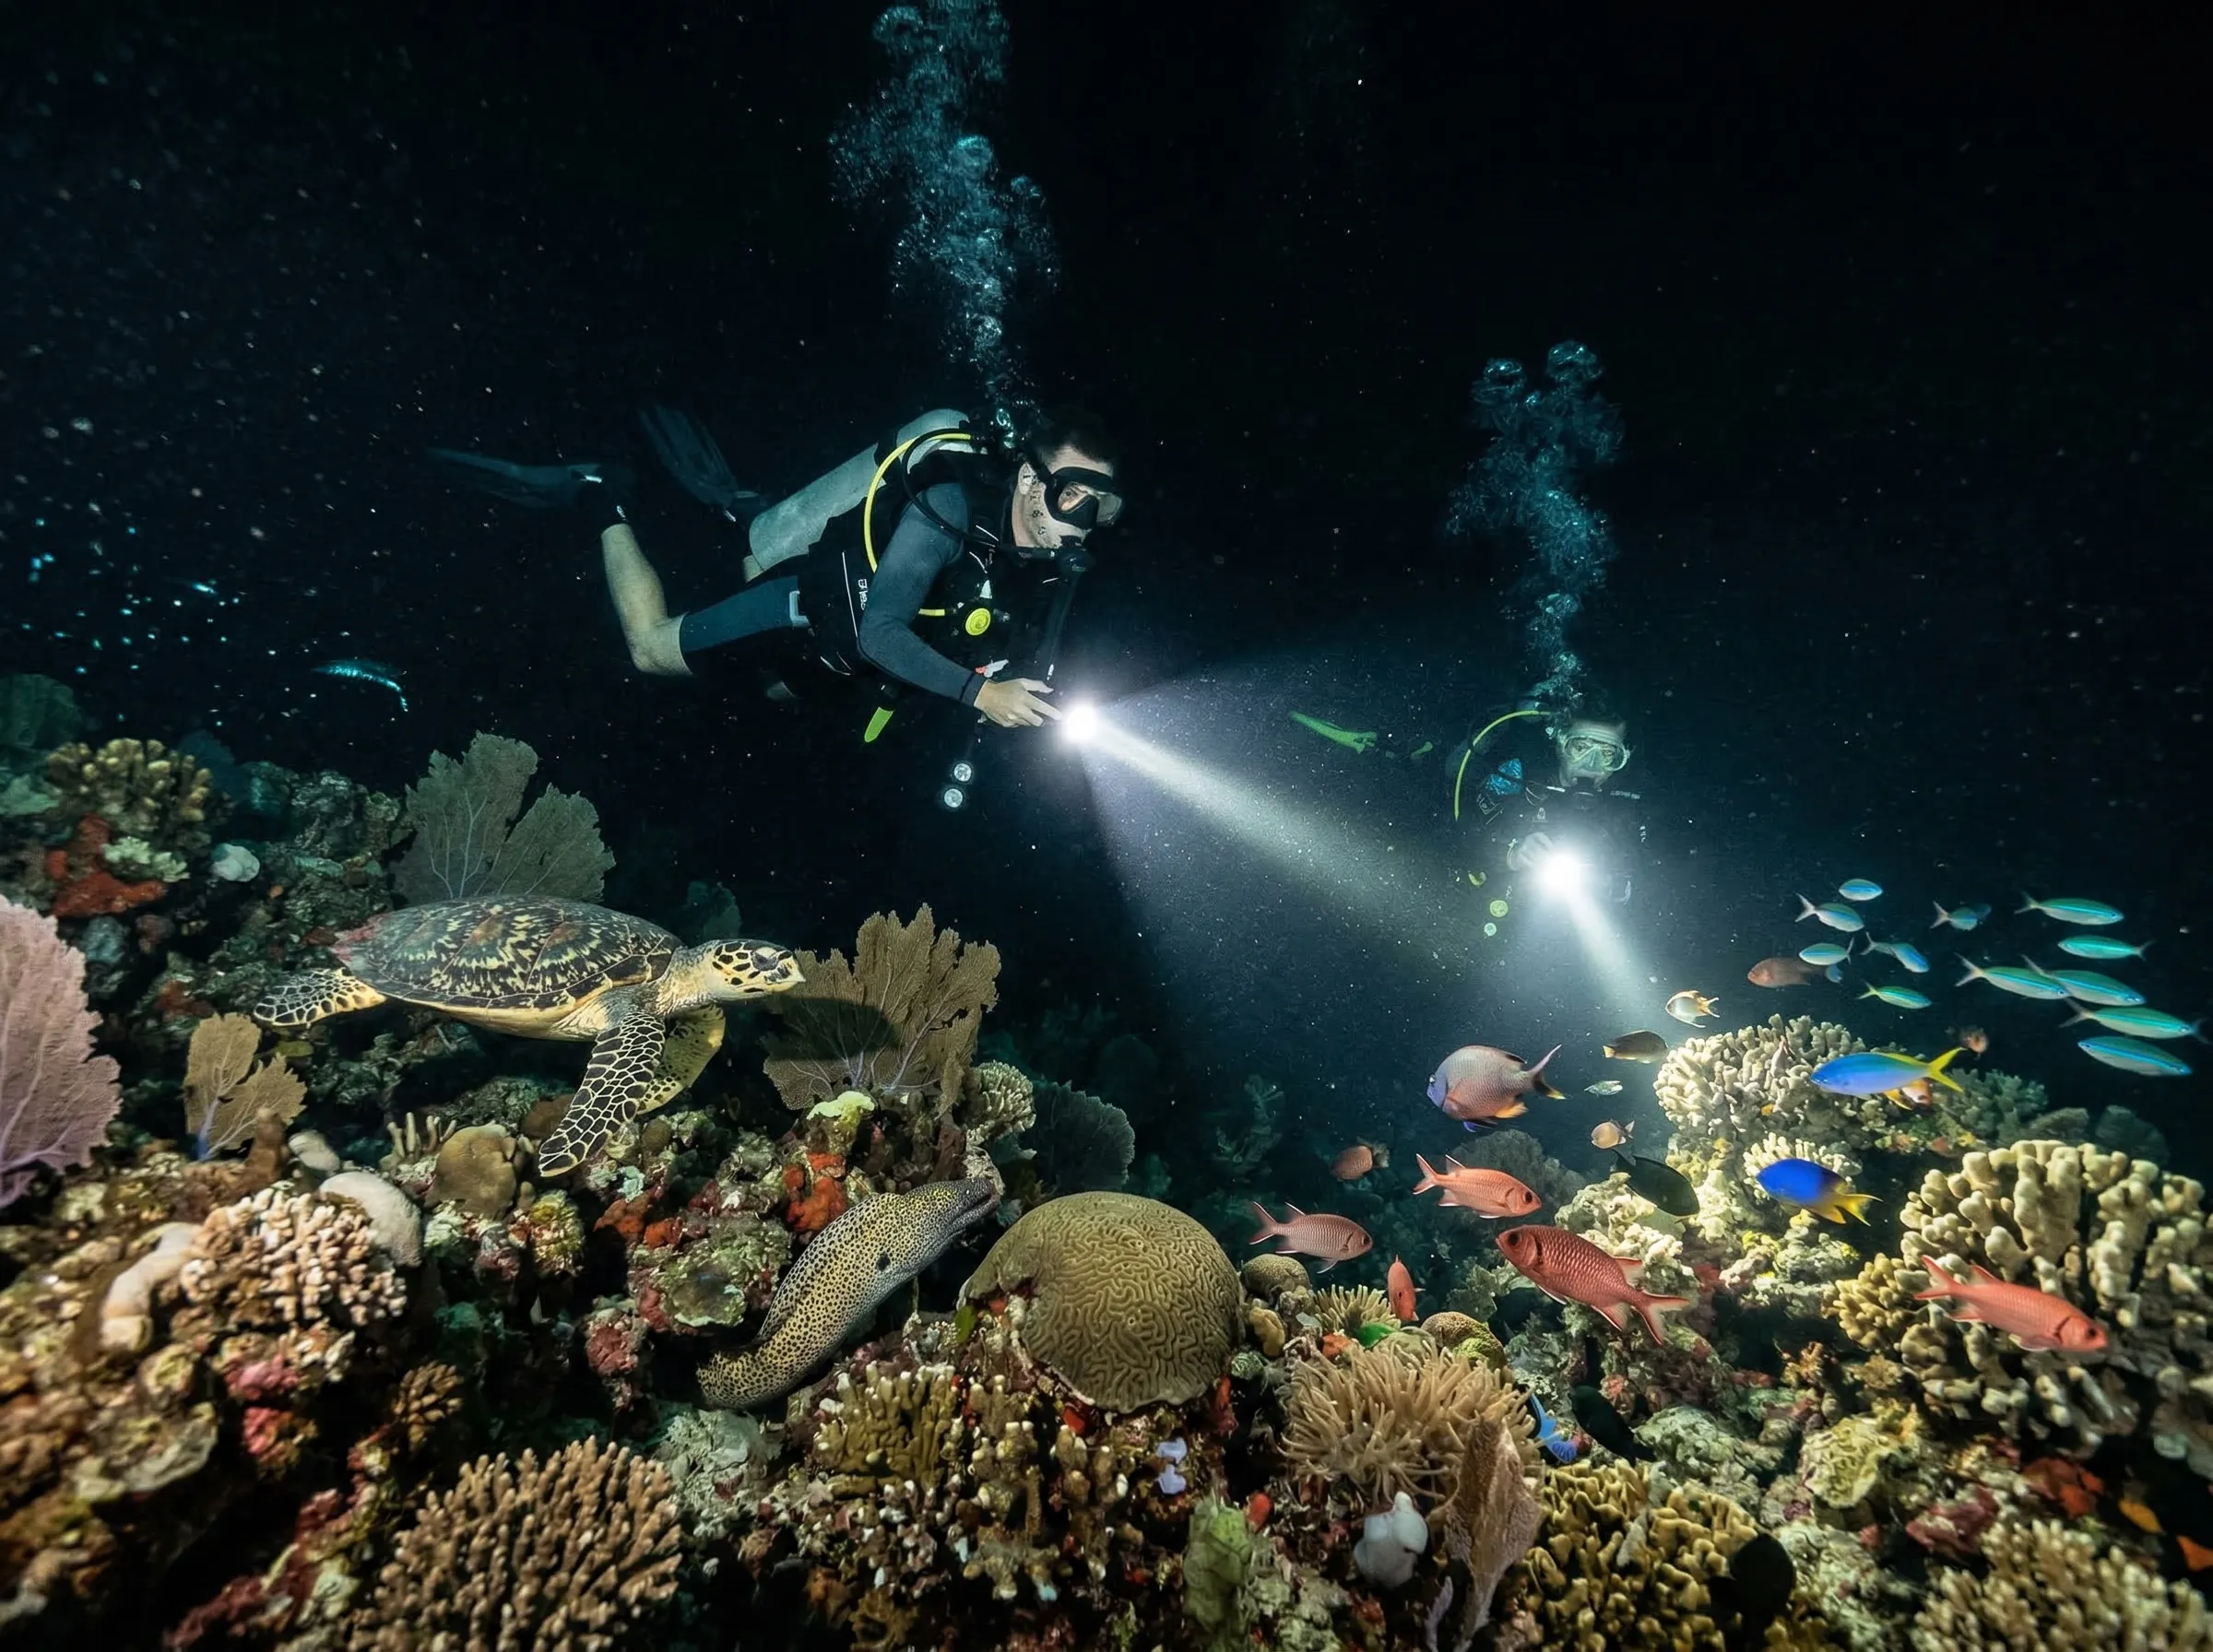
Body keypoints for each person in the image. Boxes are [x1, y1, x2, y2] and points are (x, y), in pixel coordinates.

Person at [431, 405, 1124, 739]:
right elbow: (881, 631)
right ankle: (598, 494)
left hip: (832, 667)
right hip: (804, 611)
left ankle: (744, 516)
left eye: (1100, 508)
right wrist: (981, 697)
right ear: (1031, 482)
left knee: (769, 692)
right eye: (1073, 495)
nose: (1081, 520)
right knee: (649, 650)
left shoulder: (1045, 564)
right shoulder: (946, 506)